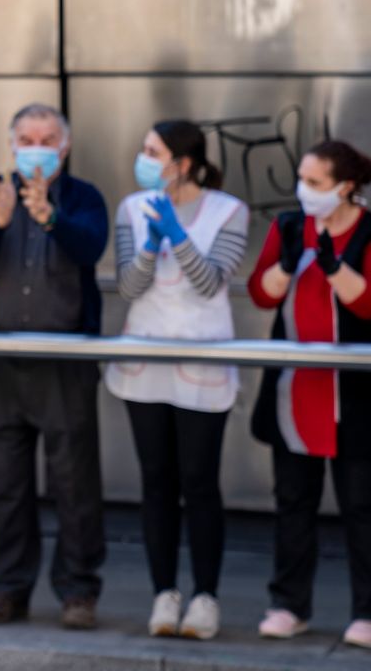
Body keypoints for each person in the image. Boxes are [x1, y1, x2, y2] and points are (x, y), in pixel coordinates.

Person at [0, 103, 109, 631]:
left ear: (64, 147)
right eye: (27, 137)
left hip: (65, 361)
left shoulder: (84, 197)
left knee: (74, 482)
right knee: (6, 482)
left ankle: (78, 590)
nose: (37, 146)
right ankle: (8, 588)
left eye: (47, 138)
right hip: (1, 361)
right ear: (12, 144)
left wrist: (51, 217)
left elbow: (91, 246)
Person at [107, 119, 247, 640]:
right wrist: (149, 245)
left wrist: (179, 236)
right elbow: (128, 286)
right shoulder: (131, 209)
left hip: (203, 363)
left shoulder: (229, 211)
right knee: (156, 481)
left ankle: (206, 597)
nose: (142, 159)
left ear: (183, 162)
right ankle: (163, 594)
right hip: (145, 363)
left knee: (199, 481)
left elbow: (210, 283)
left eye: (152, 151)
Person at [248, 139, 371, 649]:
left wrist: (333, 266)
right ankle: (289, 604)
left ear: (345, 187)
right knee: (293, 501)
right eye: (302, 180)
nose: (305, 191)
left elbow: (367, 307)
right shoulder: (288, 226)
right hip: (295, 387)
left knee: (362, 506)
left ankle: (366, 611)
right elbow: (261, 292)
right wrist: (289, 261)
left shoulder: (368, 230)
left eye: (315, 184)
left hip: (355, 392)